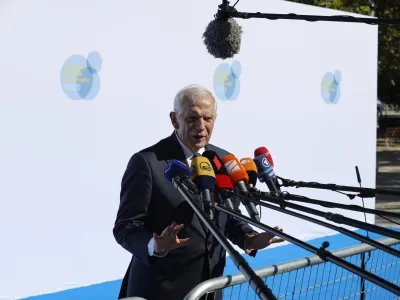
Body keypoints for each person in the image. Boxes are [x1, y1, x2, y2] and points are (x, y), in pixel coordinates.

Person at [113, 84, 284, 300]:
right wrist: (155, 245)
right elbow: (125, 227)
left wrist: (249, 238)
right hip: (159, 291)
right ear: (175, 120)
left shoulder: (223, 160)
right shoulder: (147, 163)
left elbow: (225, 217)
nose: (201, 127)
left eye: (207, 118)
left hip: (209, 290)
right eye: (192, 118)